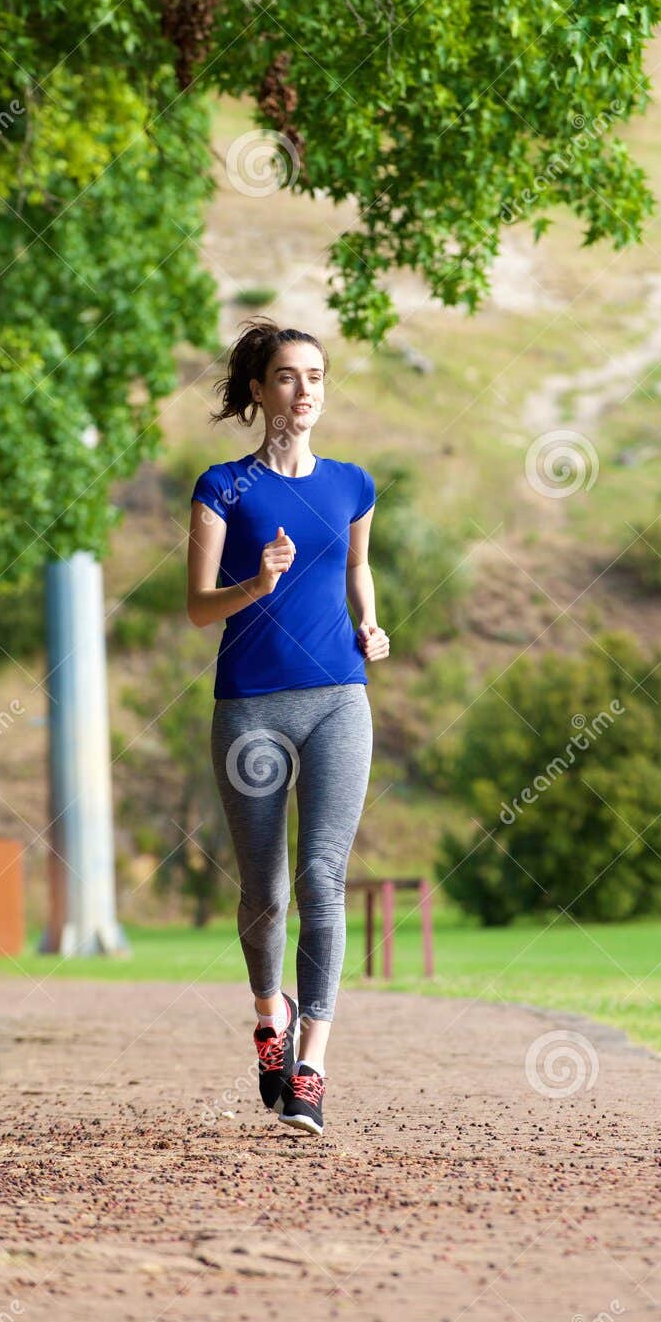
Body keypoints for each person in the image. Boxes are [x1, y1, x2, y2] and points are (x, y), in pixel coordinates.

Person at [187, 318, 389, 1135]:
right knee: (266, 893)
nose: (302, 391)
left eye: (315, 376)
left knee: (322, 880)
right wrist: (255, 585)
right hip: (251, 707)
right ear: (259, 391)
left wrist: (371, 624)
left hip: (341, 695)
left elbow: (354, 564)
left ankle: (311, 1065)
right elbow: (198, 608)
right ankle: (269, 1018)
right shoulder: (222, 487)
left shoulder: (352, 484)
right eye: (285, 377)